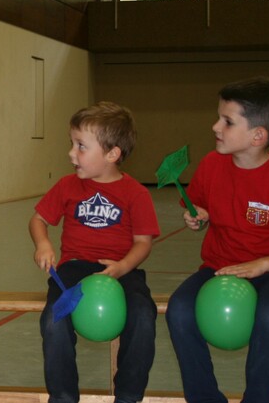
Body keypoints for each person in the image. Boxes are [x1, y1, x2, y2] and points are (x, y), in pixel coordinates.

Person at [166, 77, 269, 403]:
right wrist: (198, 217)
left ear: (258, 136)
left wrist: (261, 265)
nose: (215, 126)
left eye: (227, 121)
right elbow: (200, 207)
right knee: (179, 310)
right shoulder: (210, 165)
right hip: (219, 267)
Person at [29, 101, 159, 403]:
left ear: (112, 154)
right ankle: (62, 397)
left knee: (142, 317)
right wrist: (43, 243)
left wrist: (122, 267)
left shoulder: (136, 194)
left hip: (121, 270)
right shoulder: (66, 186)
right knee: (54, 321)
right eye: (72, 144)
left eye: (81, 146)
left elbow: (143, 242)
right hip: (74, 269)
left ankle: (128, 396)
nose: (71, 153)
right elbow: (38, 220)